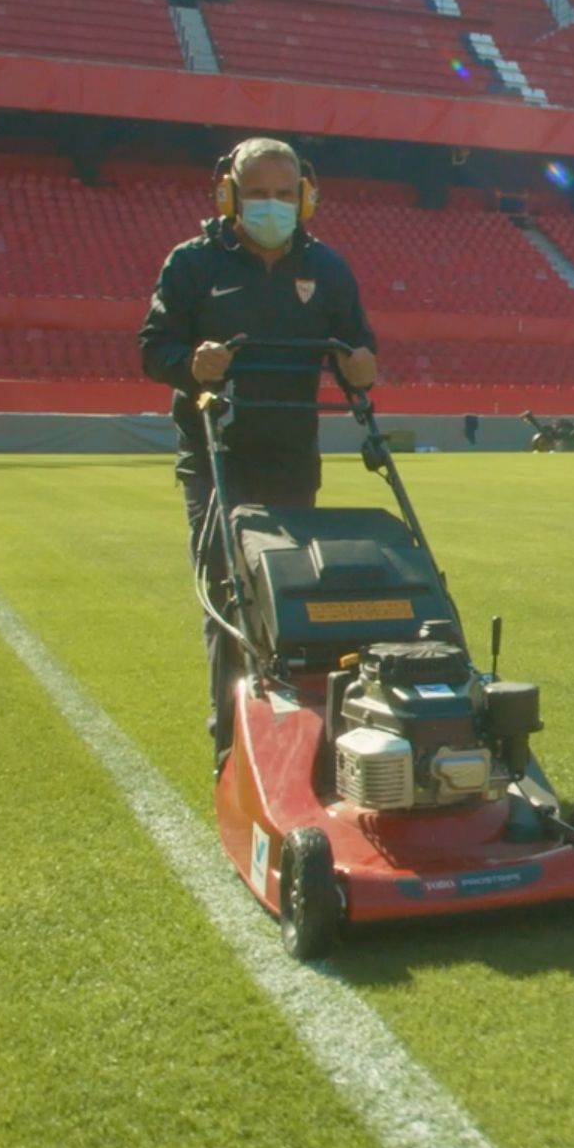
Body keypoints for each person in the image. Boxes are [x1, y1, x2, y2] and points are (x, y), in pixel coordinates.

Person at [138, 137, 379, 768]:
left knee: (294, 594)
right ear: (228, 195)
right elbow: (152, 349)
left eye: (282, 193)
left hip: (292, 453)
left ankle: (300, 727)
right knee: (231, 593)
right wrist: (192, 365)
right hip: (217, 452)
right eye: (256, 193)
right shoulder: (192, 265)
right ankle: (232, 742)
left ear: (304, 197)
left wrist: (361, 365)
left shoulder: (327, 269)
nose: (269, 205)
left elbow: (359, 349)